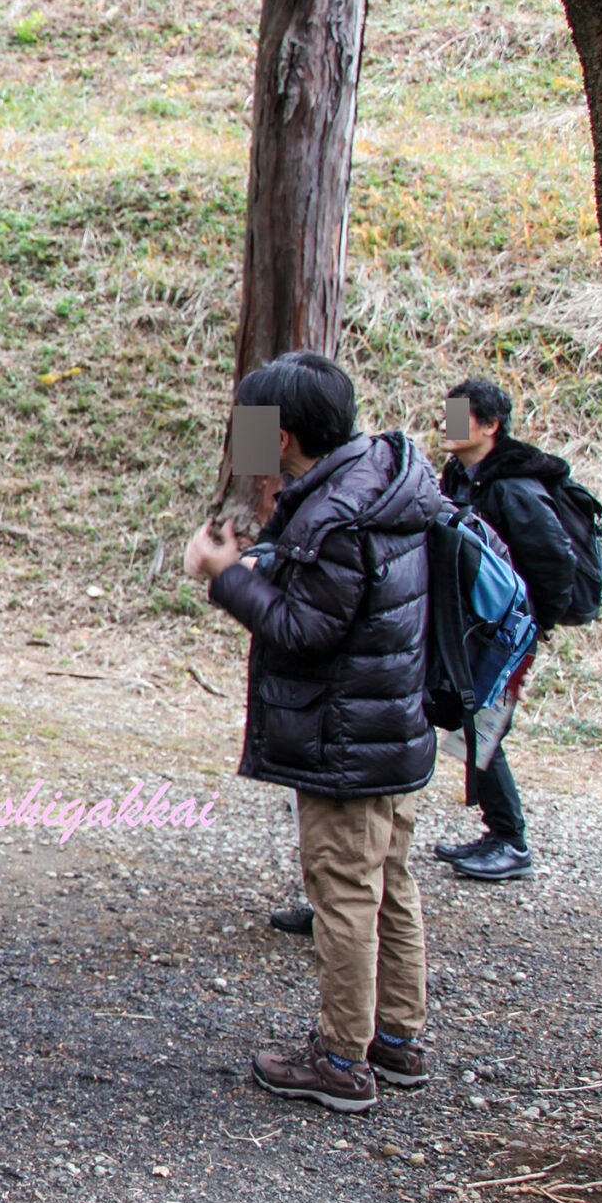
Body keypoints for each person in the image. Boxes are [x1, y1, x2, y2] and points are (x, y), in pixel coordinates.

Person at [184, 350, 442, 1113]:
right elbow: (339, 590)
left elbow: (305, 629)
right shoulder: (373, 479)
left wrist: (223, 576)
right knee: (388, 882)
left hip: (345, 739)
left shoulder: (336, 511)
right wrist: (261, 554)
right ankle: (396, 1039)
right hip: (386, 726)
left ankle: (339, 1059)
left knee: (344, 893)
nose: (248, 442)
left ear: (286, 433)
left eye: (256, 430)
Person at [431, 376, 579, 884]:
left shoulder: (514, 487)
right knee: (469, 724)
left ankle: (510, 841)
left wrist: (528, 628)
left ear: (490, 426)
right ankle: (500, 834)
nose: (446, 424)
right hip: (475, 629)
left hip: (507, 633)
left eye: (459, 415)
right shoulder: (460, 477)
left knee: (479, 728)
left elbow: (554, 565)